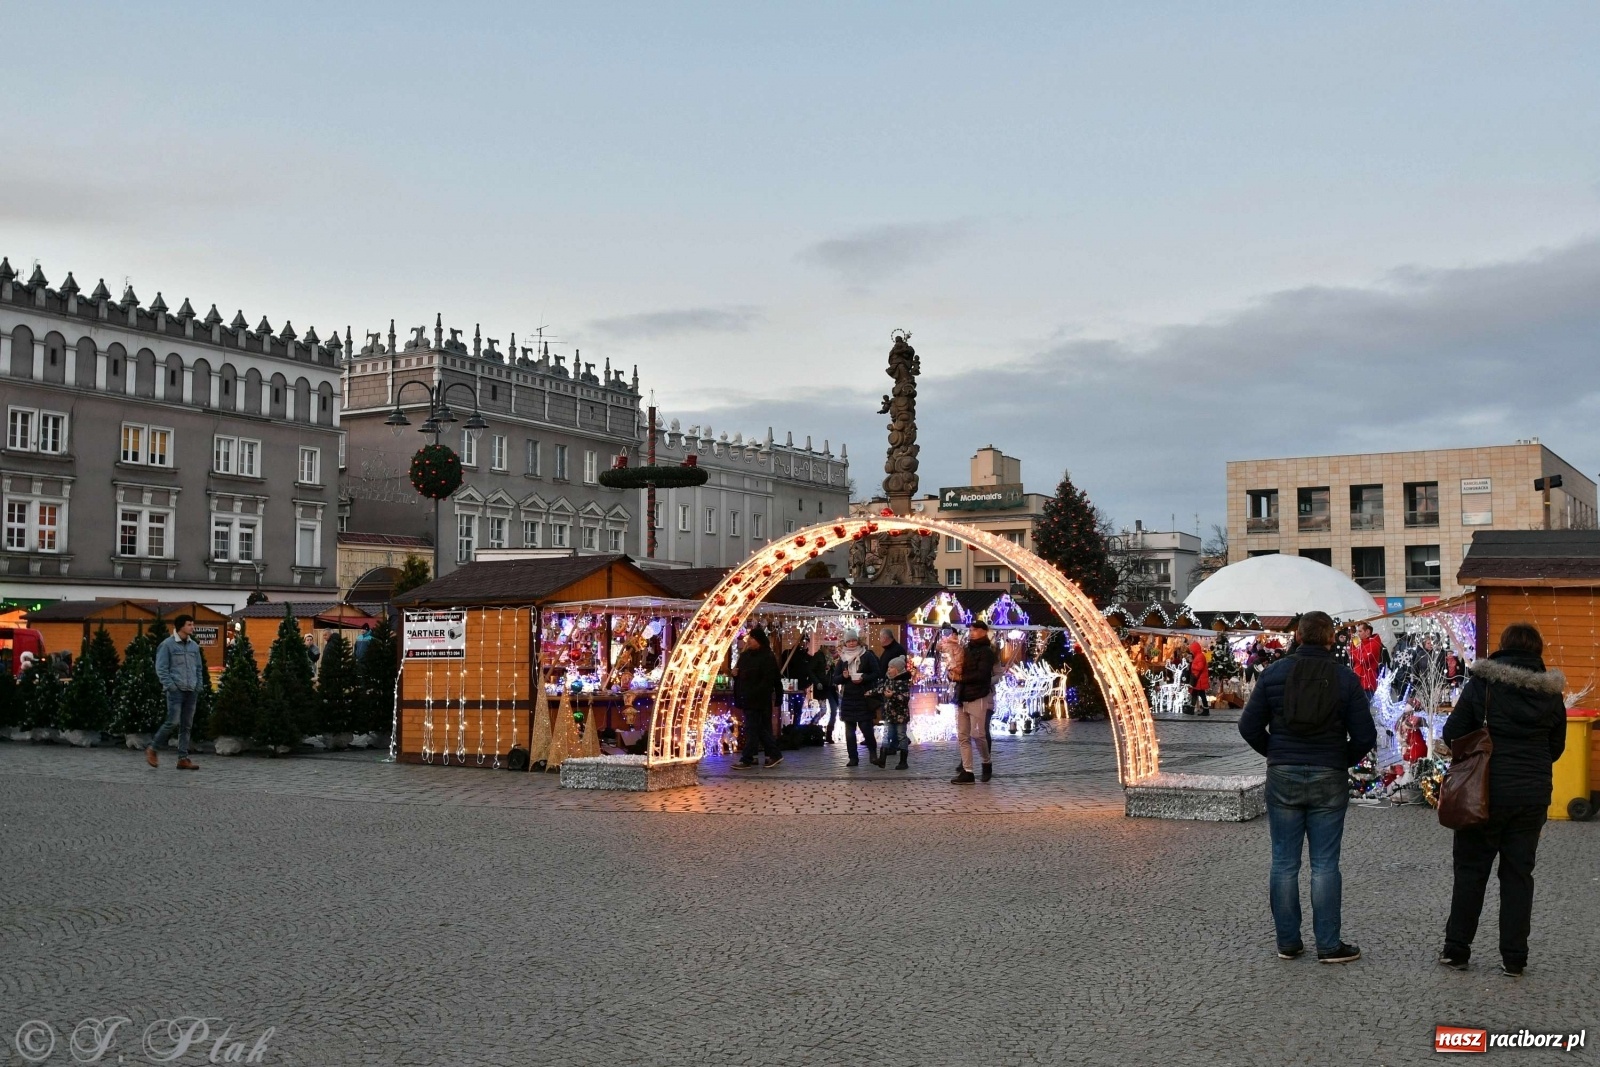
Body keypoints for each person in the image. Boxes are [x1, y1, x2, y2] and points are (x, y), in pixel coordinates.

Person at [1239, 610, 1376, 964]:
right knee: (1325, 864)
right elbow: (1365, 736)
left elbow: (1248, 726)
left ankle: (1288, 942)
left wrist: (1276, 753)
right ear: (1331, 639)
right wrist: (1339, 758)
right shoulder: (1345, 679)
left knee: (1284, 862)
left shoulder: (1273, 674)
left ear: (1298, 637)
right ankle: (1328, 945)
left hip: (1283, 774)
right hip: (1328, 774)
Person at [1439, 623, 1567, 977]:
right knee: (1518, 875)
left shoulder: (1482, 685)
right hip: (1531, 796)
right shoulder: (1551, 695)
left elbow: (1452, 733)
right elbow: (1555, 748)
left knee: (1471, 871)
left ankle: (1457, 950)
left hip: (1482, 792)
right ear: (1537, 651)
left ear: (1503, 648)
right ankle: (1514, 957)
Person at [147, 614, 205, 771]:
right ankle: (153, 748)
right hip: (176, 690)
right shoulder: (167, 645)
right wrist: (171, 686)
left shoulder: (194, 646)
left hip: (191, 690)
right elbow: (161, 668)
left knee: (186, 725)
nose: (192, 627)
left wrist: (198, 685)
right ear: (181, 626)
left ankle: (183, 758)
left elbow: (198, 668)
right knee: (172, 722)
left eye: (192, 624)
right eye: (189, 624)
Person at [952, 620, 999, 784]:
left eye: (975, 630)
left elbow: (982, 674)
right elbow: (958, 667)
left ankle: (986, 762)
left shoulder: (987, 652)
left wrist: (961, 677)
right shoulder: (965, 649)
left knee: (978, 735)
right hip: (962, 695)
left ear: (984, 632)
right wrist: (953, 671)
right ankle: (968, 771)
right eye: (970, 630)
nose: (971, 632)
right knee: (963, 736)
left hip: (978, 695)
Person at [732, 627, 783, 769]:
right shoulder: (745, 656)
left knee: (755, 728)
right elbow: (739, 674)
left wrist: (777, 695)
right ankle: (768, 755)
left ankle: (749, 758)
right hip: (747, 697)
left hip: (760, 698)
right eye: (749, 638)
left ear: (759, 640)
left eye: (752, 638)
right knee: (757, 729)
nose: (749, 641)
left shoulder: (767, 656)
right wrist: (735, 674)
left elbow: (771, 678)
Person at [830, 629, 881, 767]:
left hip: (863, 696)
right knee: (849, 731)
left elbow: (877, 673)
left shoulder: (867, 655)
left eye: (853, 640)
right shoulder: (842, 658)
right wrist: (844, 677)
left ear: (858, 641)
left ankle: (873, 753)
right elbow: (835, 679)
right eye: (849, 641)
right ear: (845, 643)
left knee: (866, 728)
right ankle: (853, 758)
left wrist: (863, 677)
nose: (851, 643)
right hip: (848, 698)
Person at [872, 655, 912, 770]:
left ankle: (903, 761)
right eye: (888, 667)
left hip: (900, 715)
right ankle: (882, 759)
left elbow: (904, 697)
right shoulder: (888, 681)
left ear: (898, 669)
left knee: (901, 736)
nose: (888, 669)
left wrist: (893, 695)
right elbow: (880, 690)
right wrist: (869, 693)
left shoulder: (903, 682)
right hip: (889, 714)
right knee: (886, 735)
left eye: (891, 667)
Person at [779, 638, 812, 726]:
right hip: (787, 684)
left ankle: (795, 729)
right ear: (799, 642)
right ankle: (786, 728)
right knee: (786, 708)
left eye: (806, 642)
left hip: (800, 687)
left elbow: (811, 674)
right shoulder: (788, 654)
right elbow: (781, 667)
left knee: (798, 710)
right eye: (803, 642)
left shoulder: (808, 658)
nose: (804, 644)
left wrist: (806, 684)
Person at [810, 645, 840, 742]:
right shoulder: (818, 656)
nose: (832, 649)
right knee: (823, 710)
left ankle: (829, 733)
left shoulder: (833, 658)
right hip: (822, 687)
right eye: (829, 647)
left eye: (833, 646)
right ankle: (812, 727)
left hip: (831, 687)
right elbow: (810, 670)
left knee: (834, 710)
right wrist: (817, 682)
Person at [1348, 622, 1382, 696]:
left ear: (1367, 631)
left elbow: (1362, 659)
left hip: (1367, 683)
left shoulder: (1374, 644)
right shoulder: (1363, 642)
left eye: (1360, 631)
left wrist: (1352, 650)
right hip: (1359, 682)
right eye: (1358, 631)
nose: (1358, 633)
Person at [1186, 639, 1211, 716]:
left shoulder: (1199, 656)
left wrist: (1192, 665)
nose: (1191, 651)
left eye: (1192, 650)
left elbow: (1200, 667)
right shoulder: (1198, 656)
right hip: (1198, 679)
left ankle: (1205, 710)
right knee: (1195, 693)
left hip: (1199, 679)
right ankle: (1193, 709)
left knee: (1201, 694)